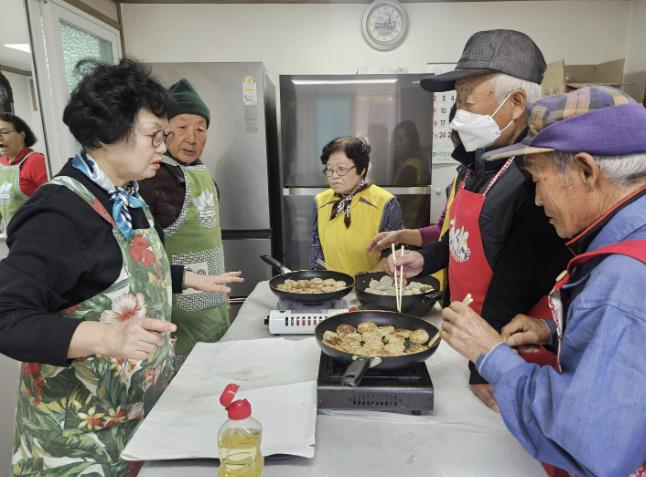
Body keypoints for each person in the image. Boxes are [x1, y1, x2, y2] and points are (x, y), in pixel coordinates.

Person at [0, 58, 239, 476]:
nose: (162, 147)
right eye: (153, 135)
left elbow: (120, 274)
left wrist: (186, 278)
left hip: (138, 418)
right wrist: (107, 337)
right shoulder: (59, 212)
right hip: (78, 440)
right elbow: (7, 317)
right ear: (105, 135)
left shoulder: (128, 198)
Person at [441, 86, 646, 477]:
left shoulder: (624, 279)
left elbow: (592, 446)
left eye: (538, 179)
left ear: (586, 171)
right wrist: (552, 330)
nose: (536, 200)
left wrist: (491, 355)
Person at [386, 29, 571, 410]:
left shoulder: (534, 178)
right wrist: (426, 258)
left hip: (503, 351)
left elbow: (516, 282)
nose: (459, 115)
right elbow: (465, 238)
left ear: (515, 103)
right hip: (467, 337)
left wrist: (484, 366)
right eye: (458, 99)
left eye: (467, 99)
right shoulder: (480, 163)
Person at [139, 78, 242, 357]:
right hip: (177, 309)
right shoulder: (151, 179)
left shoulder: (201, 171)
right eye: (182, 127)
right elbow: (144, 258)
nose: (192, 138)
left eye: (200, 128)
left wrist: (218, 292)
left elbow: (208, 239)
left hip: (212, 300)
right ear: (164, 130)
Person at [310, 136, 402, 276]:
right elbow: (317, 246)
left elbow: (392, 253)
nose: (334, 176)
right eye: (329, 169)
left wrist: (364, 282)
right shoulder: (320, 201)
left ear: (362, 169)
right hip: (332, 286)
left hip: (371, 286)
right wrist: (320, 278)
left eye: (341, 169)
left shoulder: (386, 203)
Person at [0, 113, 48, 233]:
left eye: (4, 132)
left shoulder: (36, 161)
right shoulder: (1, 163)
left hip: (36, 234)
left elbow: (54, 199)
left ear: (21, 136)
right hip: (11, 235)